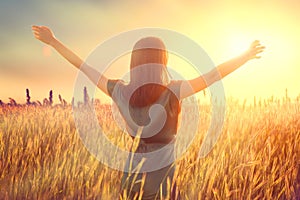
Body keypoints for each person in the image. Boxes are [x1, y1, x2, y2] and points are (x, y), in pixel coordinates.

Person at [32, 25, 265, 199]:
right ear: (162, 61)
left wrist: (54, 42)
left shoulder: (120, 91)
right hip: (161, 175)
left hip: (131, 172)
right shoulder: (173, 91)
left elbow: (85, 68)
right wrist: (244, 56)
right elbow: (212, 75)